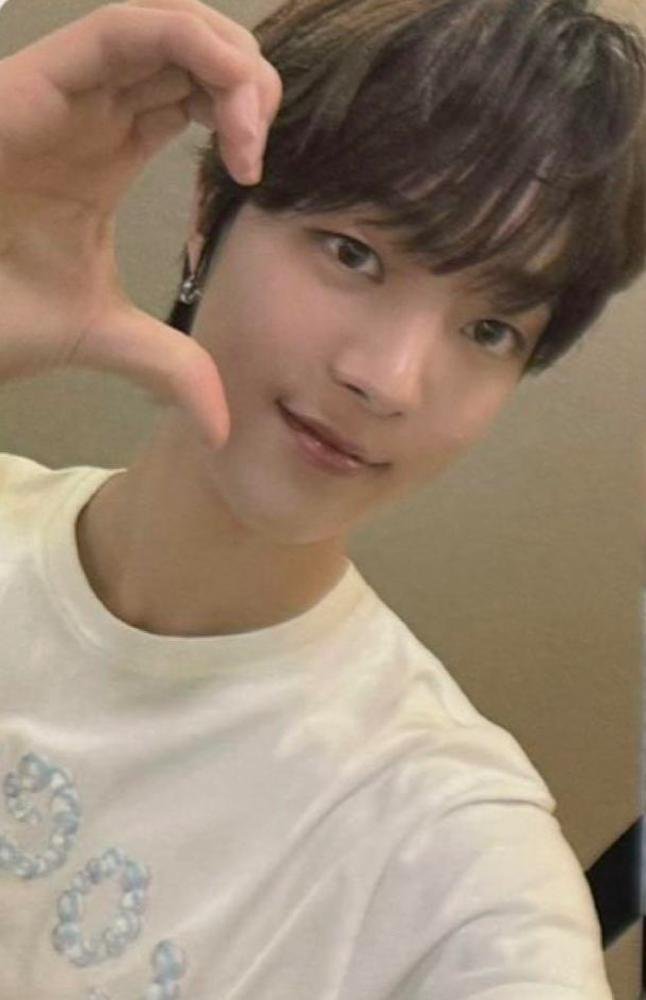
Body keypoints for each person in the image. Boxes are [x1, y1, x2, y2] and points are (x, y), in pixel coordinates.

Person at [0, 0, 644, 996]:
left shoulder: (451, 852)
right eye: (354, 252)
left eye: (489, 330)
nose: (388, 380)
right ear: (209, 216)